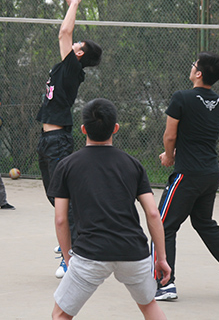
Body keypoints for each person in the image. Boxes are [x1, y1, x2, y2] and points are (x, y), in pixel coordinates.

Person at [48, 98, 171, 320]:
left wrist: (68, 259)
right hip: (133, 251)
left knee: (61, 315)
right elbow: (153, 213)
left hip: (90, 253)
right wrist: (161, 257)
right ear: (115, 128)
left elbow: (60, 220)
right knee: (149, 306)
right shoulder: (133, 165)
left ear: (83, 129)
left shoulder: (66, 166)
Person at [155, 52, 219, 301]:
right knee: (203, 222)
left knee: (162, 225)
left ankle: (164, 284)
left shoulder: (181, 98)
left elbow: (170, 135)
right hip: (210, 173)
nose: (191, 68)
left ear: (199, 73)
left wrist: (168, 155)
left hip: (187, 174)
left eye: (194, 65)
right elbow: (197, 134)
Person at [36, 0, 102, 278]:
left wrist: (75, 2)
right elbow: (66, 35)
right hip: (48, 139)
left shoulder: (73, 68)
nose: (73, 42)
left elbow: (64, 31)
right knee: (56, 197)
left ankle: (72, 254)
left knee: (65, 200)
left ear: (79, 54)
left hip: (57, 140)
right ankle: (74, 239)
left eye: (78, 44)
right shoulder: (66, 67)